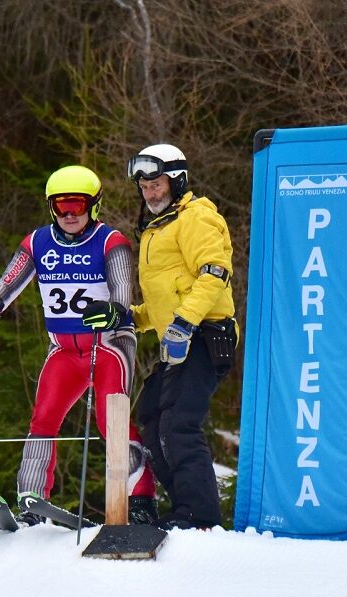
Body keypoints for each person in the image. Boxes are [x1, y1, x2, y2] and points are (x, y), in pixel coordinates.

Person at [0, 165, 158, 526]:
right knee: (43, 418)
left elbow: (122, 288)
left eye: (77, 204)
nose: (70, 214)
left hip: (108, 346)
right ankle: (32, 501)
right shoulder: (38, 242)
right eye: (61, 206)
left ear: (94, 205)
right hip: (63, 349)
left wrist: (114, 311)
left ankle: (140, 500)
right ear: (51, 207)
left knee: (112, 421)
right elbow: (10, 278)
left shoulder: (111, 241)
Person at [126, 143, 237, 531]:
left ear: (176, 181)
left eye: (156, 185)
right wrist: (129, 317)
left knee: (178, 423)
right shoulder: (157, 229)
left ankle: (200, 516)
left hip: (205, 334)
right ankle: (184, 508)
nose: (150, 194)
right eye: (144, 187)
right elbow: (165, 299)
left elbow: (215, 273)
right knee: (151, 418)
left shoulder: (195, 218)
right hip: (180, 337)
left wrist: (185, 323)